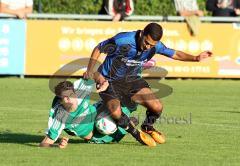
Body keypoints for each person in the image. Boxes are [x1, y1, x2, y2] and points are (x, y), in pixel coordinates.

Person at [83, 22, 212, 146]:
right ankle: (136, 134)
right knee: (116, 112)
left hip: (132, 79)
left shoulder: (156, 46)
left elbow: (176, 54)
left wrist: (195, 58)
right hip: (109, 80)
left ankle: (147, 127)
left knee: (157, 107)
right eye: (147, 43)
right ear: (142, 34)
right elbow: (99, 48)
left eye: (152, 45)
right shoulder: (123, 40)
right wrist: (90, 70)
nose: (148, 47)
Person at [39, 76, 146, 148]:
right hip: (96, 134)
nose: (68, 100)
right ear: (61, 100)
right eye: (64, 98)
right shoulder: (60, 117)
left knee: (129, 98)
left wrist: (103, 82)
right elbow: (45, 143)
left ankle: (137, 120)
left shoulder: (82, 87)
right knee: (114, 130)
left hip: (99, 110)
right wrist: (57, 145)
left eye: (70, 96)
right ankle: (127, 123)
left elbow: (95, 73)